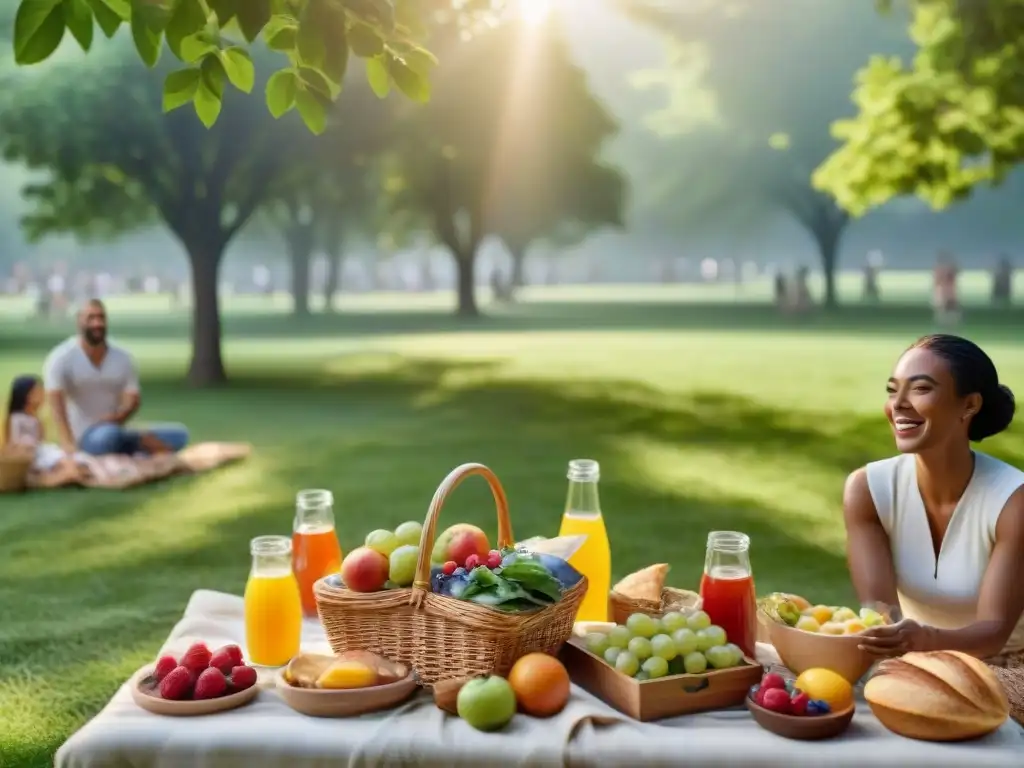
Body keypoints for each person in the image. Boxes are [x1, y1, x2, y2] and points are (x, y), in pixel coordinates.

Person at [842, 334, 1023, 723]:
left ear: (969, 405)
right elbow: (879, 613)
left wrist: (925, 641)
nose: (899, 404)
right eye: (893, 391)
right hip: (919, 664)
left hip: (1012, 668)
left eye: (921, 388)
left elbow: (993, 631)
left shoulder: (1013, 500)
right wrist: (896, 639)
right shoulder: (868, 491)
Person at [43, 299, 190, 457]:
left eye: (101, 318)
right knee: (109, 437)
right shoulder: (61, 357)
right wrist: (67, 441)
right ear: (79, 322)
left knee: (180, 434)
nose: (97, 323)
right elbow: (55, 401)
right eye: (91, 318)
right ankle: (141, 446)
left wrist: (117, 417)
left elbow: (132, 398)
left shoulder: (123, 357)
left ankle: (134, 444)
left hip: (116, 427)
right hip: (84, 435)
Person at [4, 375, 82, 483]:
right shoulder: (16, 419)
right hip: (28, 454)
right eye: (37, 392)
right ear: (25, 395)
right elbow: (15, 442)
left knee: (66, 456)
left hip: (39, 450)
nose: (42, 395)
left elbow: (40, 440)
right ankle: (66, 475)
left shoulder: (35, 419)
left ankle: (69, 473)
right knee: (62, 459)